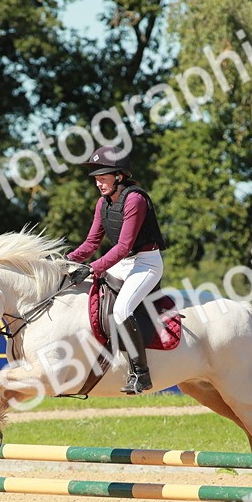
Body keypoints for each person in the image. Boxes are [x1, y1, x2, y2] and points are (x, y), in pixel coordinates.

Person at [66, 145, 167, 394]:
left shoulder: (135, 199)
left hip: (146, 263)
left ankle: (141, 375)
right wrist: (66, 261)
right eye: (97, 179)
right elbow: (91, 243)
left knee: (122, 309)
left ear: (119, 176)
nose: (98, 184)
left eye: (103, 178)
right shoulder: (103, 203)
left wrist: (91, 268)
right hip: (123, 263)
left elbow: (123, 247)